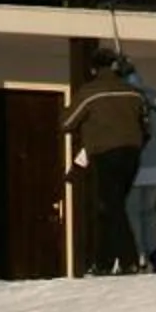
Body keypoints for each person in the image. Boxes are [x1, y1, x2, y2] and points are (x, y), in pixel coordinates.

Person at [60, 44, 148, 275]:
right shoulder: (134, 93)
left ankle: (129, 261)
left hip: (106, 153)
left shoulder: (90, 92)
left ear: (93, 69)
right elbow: (146, 126)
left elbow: (66, 123)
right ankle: (104, 262)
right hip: (133, 154)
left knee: (112, 206)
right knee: (110, 207)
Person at [121, 61, 156, 275]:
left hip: (136, 168)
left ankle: (140, 256)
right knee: (151, 212)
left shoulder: (129, 101)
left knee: (133, 213)